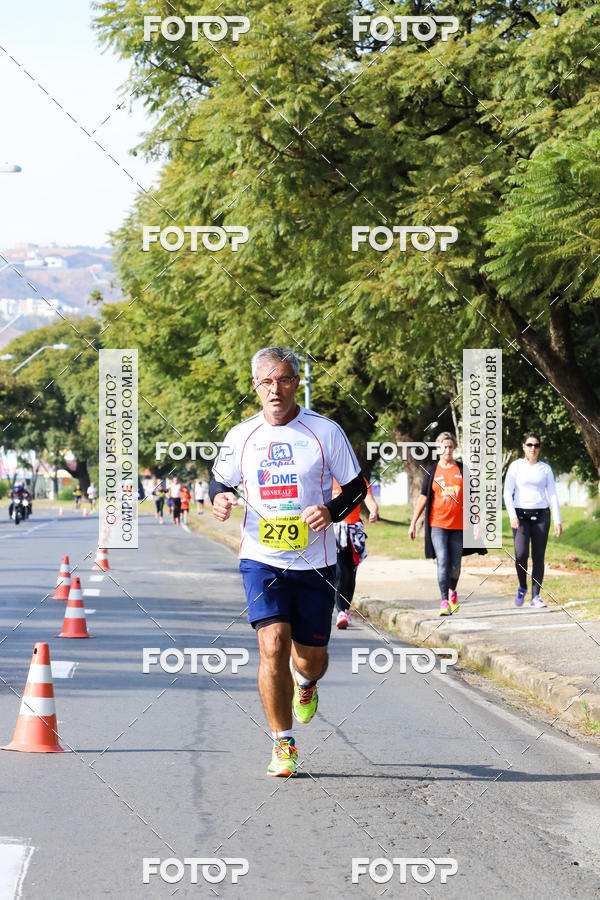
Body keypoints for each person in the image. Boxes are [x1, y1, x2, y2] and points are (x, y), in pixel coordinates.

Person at [210, 346, 366, 777]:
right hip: (261, 558)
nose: (274, 390)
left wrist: (331, 511)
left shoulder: (324, 431)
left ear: (295, 383)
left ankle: (308, 684)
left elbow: (355, 487)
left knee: (309, 657)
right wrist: (220, 497)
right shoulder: (241, 436)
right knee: (272, 644)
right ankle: (282, 743)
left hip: (315, 562)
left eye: (282, 380)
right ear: (255, 386)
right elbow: (219, 481)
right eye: (266, 382)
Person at [408, 432, 485, 615]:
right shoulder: (432, 471)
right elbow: (423, 498)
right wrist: (413, 523)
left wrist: (477, 523)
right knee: (442, 560)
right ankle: (444, 601)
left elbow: (473, 498)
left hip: (458, 526)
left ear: (453, 448)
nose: (447, 450)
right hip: (438, 525)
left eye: (450, 447)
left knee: (455, 566)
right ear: (438, 449)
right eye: (444, 447)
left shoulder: (462, 469)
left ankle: (452, 592)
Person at [504, 433, 562, 608]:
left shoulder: (545, 469)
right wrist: (512, 515)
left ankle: (536, 596)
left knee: (538, 556)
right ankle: (522, 586)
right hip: (521, 515)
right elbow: (507, 492)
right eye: (529, 445)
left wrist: (558, 520)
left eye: (536, 445)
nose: (533, 449)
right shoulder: (516, 467)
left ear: (539, 448)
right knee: (521, 554)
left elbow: (552, 494)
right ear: (523, 446)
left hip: (541, 515)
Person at [333, 476, 379, 629]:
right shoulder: (327, 478)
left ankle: (345, 610)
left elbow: (369, 499)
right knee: (340, 571)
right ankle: (340, 610)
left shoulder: (359, 480)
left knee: (351, 573)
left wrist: (374, 511)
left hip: (353, 532)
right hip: (335, 530)